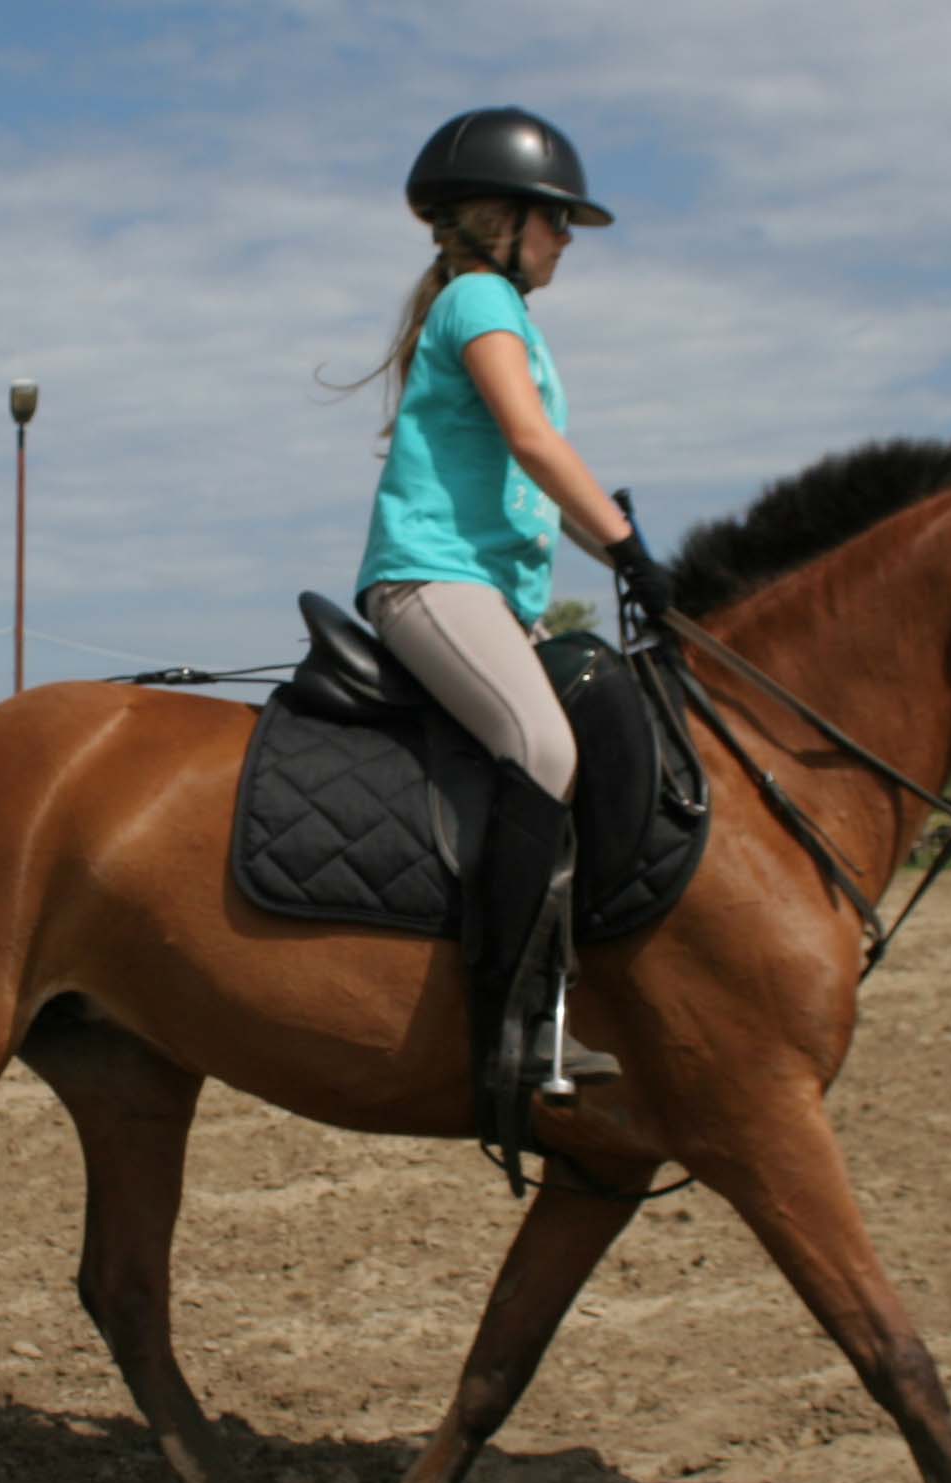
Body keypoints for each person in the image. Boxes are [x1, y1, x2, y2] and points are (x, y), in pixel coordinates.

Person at [346, 107, 670, 1138]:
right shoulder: (479, 296)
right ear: (499, 220)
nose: (567, 239)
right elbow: (532, 444)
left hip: (489, 593)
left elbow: (534, 491)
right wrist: (623, 541)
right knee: (539, 744)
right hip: (429, 582)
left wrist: (631, 567)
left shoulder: (503, 312)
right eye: (556, 219)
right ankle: (506, 1020)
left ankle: (567, 984)